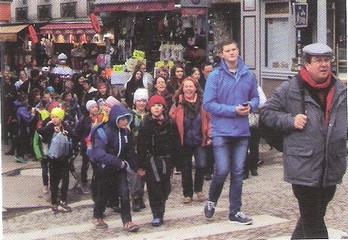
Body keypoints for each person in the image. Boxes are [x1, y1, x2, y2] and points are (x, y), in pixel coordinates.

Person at [260, 43, 347, 239]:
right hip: (303, 166)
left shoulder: (340, 89)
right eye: (318, 61)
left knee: (312, 217)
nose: (324, 65)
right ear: (306, 64)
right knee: (315, 223)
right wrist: (290, 121)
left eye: (327, 60)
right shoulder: (290, 88)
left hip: (331, 167)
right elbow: (266, 114)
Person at [202, 40, 259, 225]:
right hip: (221, 131)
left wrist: (250, 106)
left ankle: (235, 211)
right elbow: (208, 104)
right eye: (228, 50)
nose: (232, 53)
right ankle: (212, 200)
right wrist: (232, 110)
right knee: (222, 169)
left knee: (238, 172)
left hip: (242, 131)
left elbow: (256, 97)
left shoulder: (247, 74)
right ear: (222, 54)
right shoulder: (215, 76)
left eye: (234, 49)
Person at [92, 104, 140, 232]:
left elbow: (130, 152)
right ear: (115, 118)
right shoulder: (103, 131)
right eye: (122, 119)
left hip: (120, 169)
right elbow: (99, 153)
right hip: (105, 169)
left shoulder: (126, 133)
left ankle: (127, 221)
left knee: (124, 194)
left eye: (126, 119)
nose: (125, 121)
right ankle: (98, 216)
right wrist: (116, 162)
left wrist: (137, 167)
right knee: (103, 194)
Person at [137, 95, 181, 227]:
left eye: (159, 105)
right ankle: (157, 214)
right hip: (152, 161)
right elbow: (141, 146)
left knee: (165, 187)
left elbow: (176, 142)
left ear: (163, 107)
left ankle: (160, 206)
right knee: (154, 187)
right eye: (154, 106)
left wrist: (176, 161)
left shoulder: (170, 123)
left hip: (166, 160)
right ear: (150, 108)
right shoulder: (145, 124)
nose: (156, 108)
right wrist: (141, 165)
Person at [169, 77, 210, 204]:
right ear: (182, 89)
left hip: (199, 139)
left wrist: (209, 135)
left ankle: (198, 189)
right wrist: (177, 105)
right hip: (184, 141)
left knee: (201, 165)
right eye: (186, 87)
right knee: (185, 168)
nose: (188, 89)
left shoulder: (203, 102)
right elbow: (172, 118)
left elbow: (209, 120)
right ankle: (187, 193)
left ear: (195, 88)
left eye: (190, 86)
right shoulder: (178, 102)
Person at [37, 107, 75, 213]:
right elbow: (40, 130)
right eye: (52, 117)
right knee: (54, 181)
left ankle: (63, 200)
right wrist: (51, 128)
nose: (54, 119)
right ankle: (54, 201)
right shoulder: (50, 126)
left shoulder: (65, 126)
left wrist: (67, 133)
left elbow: (74, 135)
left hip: (64, 158)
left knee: (65, 180)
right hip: (53, 159)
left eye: (56, 117)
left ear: (61, 118)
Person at [75, 100, 103, 194]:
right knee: (85, 164)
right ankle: (84, 182)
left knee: (96, 165)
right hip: (86, 146)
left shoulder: (101, 118)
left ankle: (95, 183)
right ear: (88, 109)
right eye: (92, 107)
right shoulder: (85, 119)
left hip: (98, 145)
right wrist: (82, 141)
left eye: (96, 106)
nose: (95, 108)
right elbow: (78, 131)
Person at [129, 88, 149, 211]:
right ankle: (135, 197)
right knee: (135, 174)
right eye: (139, 101)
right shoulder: (131, 115)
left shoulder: (148, 116)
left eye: (143, 101)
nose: (141, 103)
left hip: (146, 149)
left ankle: (141, 196)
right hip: (134, 148)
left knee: (144, 174)